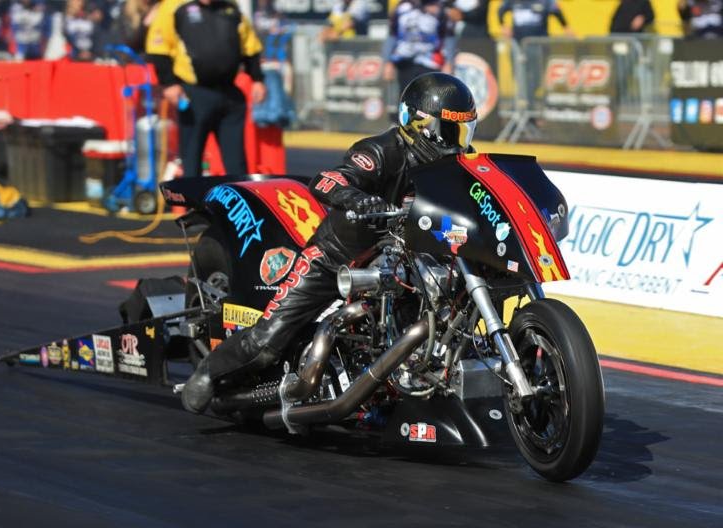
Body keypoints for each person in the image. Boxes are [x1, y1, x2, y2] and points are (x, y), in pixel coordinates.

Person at [183, 72, 479, 414]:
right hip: (337, 259)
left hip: (406, 257)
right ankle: (207, 372)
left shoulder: (459, 163)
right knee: (267, 341)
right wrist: (358, 199)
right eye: (447, 131)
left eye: (462, 131)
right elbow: (327, 180)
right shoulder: (381, 151)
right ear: (415, 123)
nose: (456, 142)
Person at [145, 0, 267, 179]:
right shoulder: (174, 7)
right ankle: (194, 205)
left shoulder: (230, 8)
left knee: (237, 162)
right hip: (194, 93)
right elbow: (158, 48)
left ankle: (239, 202)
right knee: (192, 158)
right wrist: (169, 83)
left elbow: (250, 46)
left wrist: (257, 78)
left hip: (229, 93)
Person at [383, 0, 456, 95]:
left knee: (430, 100)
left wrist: (449, 63)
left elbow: (449, 36)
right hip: (405, 63)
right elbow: (392, 36)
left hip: (430, 63)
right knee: (406, 97)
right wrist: (387, 62)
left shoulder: (440, 8)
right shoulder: (401, 7)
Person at [497, 0, 573, 40]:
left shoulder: (545, 1)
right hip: (519, 44)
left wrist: (566, 28)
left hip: (539, 44)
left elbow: (557, 12)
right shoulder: (512, 1)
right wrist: (503, 26)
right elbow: (501, 10)